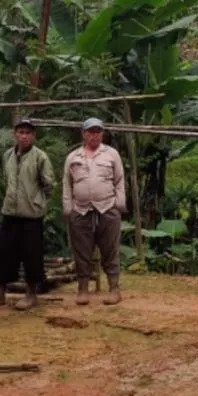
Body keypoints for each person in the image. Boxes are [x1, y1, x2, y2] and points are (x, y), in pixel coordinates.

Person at [0, 118, 55, 310]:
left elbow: (49, 184)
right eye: (21, 132)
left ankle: (31, 294)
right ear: (15, 134)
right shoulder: (8, 155)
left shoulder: (40, 157)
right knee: (4, 252)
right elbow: (7, 178)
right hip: (10, 212)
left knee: (32, 255)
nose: (24, 136)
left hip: (31, 215)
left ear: (34, 136)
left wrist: (36, 200)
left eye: (28, 133)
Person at [63, 117, 127, 306]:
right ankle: (83, 290)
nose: (94, 135)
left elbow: (120, 180)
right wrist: (68, 208)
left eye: (98, 131)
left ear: (102, 134)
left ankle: (114, 289)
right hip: (81, 211)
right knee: (82, 252)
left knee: (110, 250)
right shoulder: (73, 157)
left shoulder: (111, 154)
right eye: (91, 132)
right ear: (84, 134)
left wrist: (119, 204)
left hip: (107, 208)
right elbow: (67, 184)